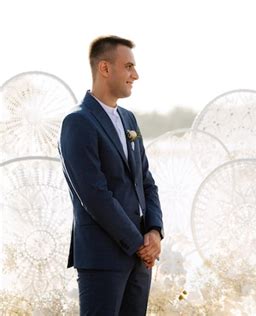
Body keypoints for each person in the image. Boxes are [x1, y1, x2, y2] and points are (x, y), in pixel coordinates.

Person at [59, 35, 164, 315]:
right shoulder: (78, 122)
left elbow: (146, 182)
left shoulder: (129, 119)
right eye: (128, 66)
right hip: (102, 258)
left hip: (140, 259)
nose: (136, 75)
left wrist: (154, 231)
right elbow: (94, 196)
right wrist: (138, 243)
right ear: (105, 69)